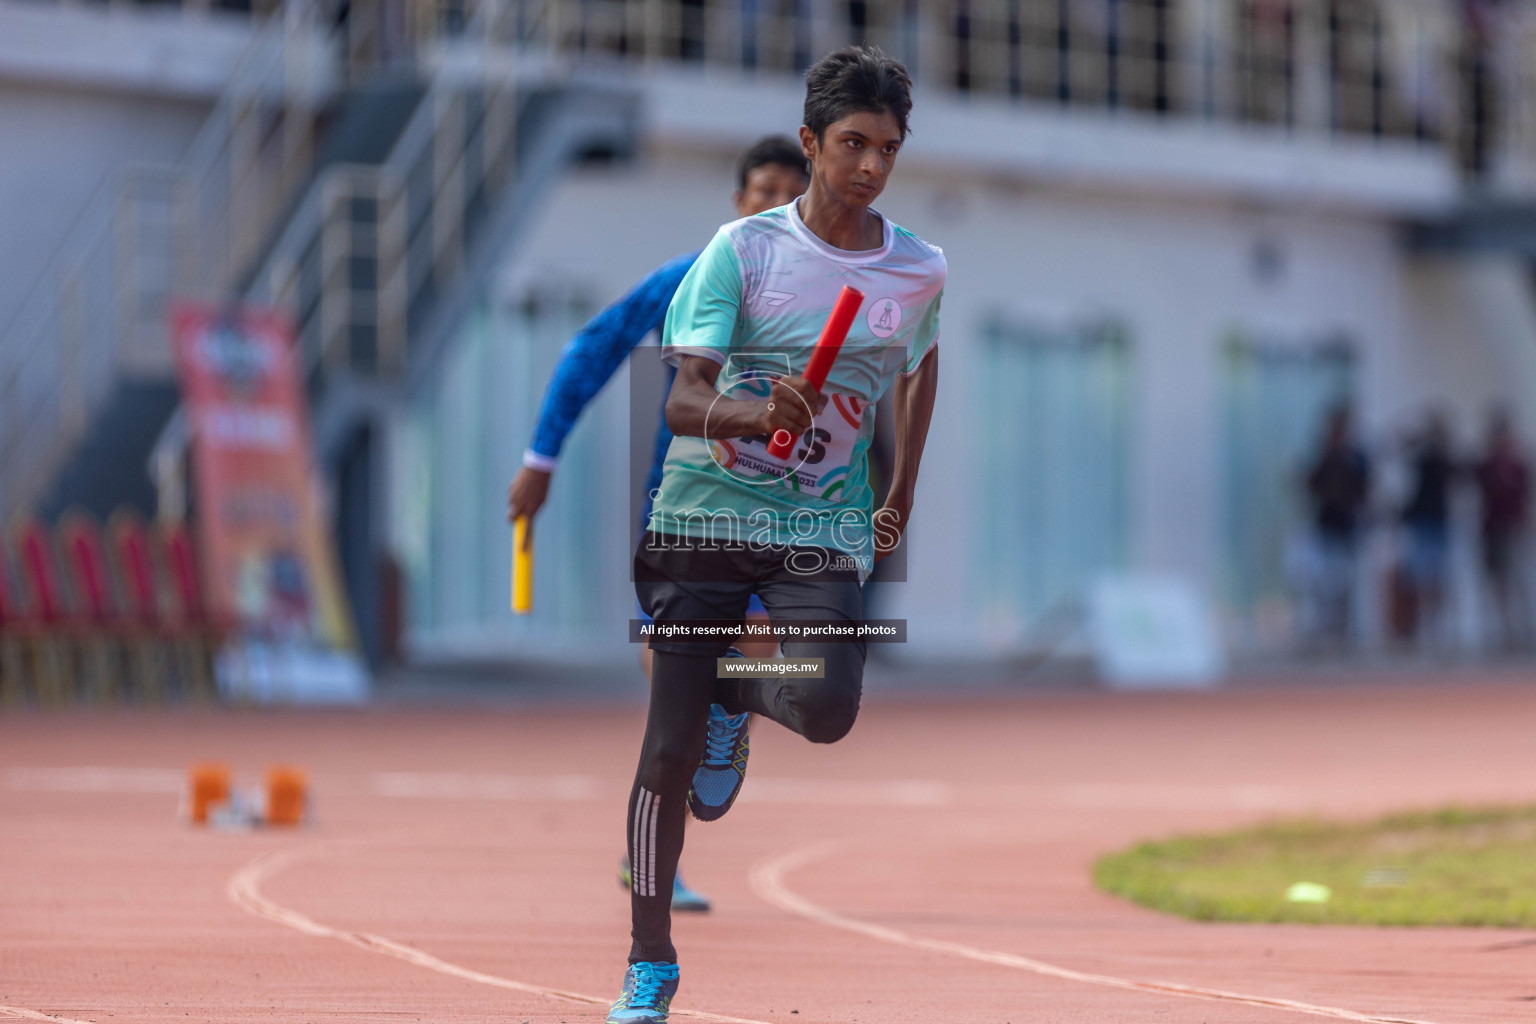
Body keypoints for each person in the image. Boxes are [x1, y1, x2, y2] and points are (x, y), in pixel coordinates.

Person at [607, 45, 943, 1023]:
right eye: (852, 144)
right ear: (811, 144)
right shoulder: (742, 251)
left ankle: (733, 690)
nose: (872, 166)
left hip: (821, 520)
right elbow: (681, 401)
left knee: (830, 702)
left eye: (887, 146)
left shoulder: (917, 268)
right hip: (702, 513)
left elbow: (922, 367)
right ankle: (649, 960)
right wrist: (757, 414)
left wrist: (903, 488)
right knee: (667, 752)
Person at [506, 136, 811, 914]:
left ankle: (721, 715)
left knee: (751, 656)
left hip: (772, 524)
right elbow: (594, 350)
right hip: (678, 521)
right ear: (737, 203)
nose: (773, 208)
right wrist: (542, 458)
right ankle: (652, 857)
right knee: (672, 686)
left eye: (789, 196)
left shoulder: (816, 296)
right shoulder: (689, 282)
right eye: (761, 192)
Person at [1304, 405, 1370, 649]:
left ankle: (1344, 631)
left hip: (1347, 528)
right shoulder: (1324, 456)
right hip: (1325, 527)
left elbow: (1364, 490)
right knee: (1323, 583)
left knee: (1345, 582)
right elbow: (1313, 486)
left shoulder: (1356, 459)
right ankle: (1326, 629)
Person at [1401, 410, 1458, 648]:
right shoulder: (1421, 459)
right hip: (1423, 524)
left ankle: (1438, 629)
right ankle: (1423, 627)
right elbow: (1402, 448)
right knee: (1421, 578)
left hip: (1438, 524)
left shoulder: (1446, 461)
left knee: (1438, 579)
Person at [1474, 408, 1530, 649]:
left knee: (1517, 578)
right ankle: (1503, 632)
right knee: (1497, 582)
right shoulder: (1485, 465)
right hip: (1492, 529)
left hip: (1512, 529)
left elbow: (1526, 496)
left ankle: (1523, 630)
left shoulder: (1518, 465)